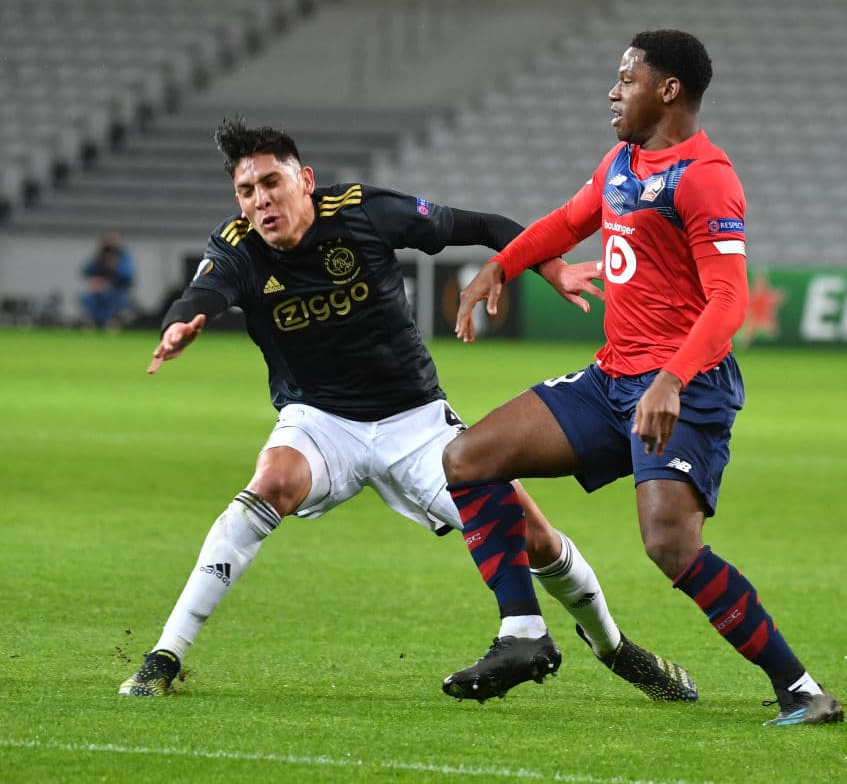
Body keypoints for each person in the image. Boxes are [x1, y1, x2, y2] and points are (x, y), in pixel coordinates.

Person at [119, 116, 697, 701]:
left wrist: (552, 267)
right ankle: (165, 656)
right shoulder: (238, 247)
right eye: (247, 192)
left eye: (271, 183)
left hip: (415, 420)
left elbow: (484, 225)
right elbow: (200, 295)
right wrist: (180, 324)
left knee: (535, 537)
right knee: (270, 483)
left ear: (304, 180)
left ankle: (614, 649)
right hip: (320, 420)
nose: (261, 201)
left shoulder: (361, 212)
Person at [439, 30, 844, 727]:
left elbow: (729, 300)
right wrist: (500, 265)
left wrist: (672, 379)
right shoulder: (621, 161)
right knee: (467, 459)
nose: (612, 90)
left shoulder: (707, 176)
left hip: (688, 385)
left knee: (668, 544)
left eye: (626, 78)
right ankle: (524, 633)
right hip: (613, 381)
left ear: (669, 90)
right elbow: (566, 223)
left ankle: (801, 689)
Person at [79, 233, 135, 328]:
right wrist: (96, 259)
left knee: (117, 301)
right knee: (86, 298)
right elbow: (85, 271)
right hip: (98, 292)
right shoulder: (98, 258)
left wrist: (115, 267)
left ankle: (111, 321)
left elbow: (128, 276)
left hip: (117, 291)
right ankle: (95, 322)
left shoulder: (123, 257)